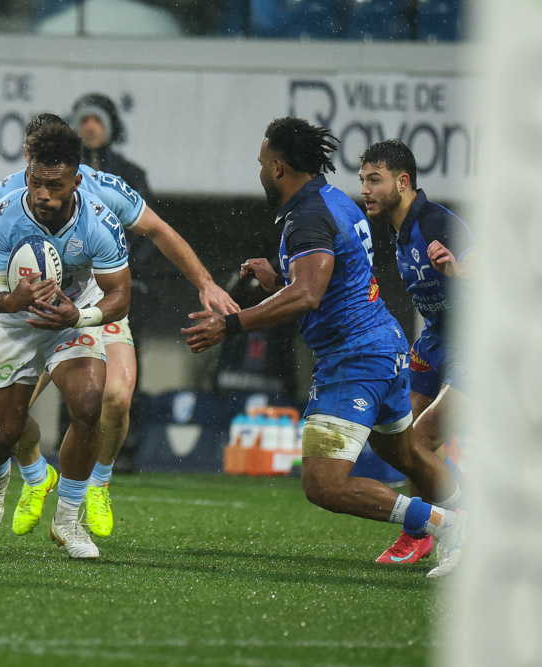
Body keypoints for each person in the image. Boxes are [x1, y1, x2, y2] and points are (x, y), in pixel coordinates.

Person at [181, 117, 465, 578]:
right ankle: (463, 523)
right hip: (383, 345)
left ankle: (448, 524)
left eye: (260, 163)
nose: (258, 172)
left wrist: (230, 325)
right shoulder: (336, 201)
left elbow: (308, 294)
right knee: (409, 454)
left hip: (353, 359)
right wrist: (279, 279)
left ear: (278, 166)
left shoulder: (306, 216)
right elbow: (331, 280)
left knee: (323, 484)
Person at [0, 114, 237, 539]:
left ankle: (95, 485)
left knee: (114, 398)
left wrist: (204, 282)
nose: (41, 184)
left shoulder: (102, 192)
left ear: (73, 168)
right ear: (29, 159)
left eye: (54, 173)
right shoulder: (9, 195)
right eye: (33, 163)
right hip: (25, 317)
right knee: (6, 429)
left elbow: (159, 231)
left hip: (85, 306)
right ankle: (35, 476)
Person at [0, 122, 132, 559]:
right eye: (36, 183)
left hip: (72, 318)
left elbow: (120, 294)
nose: (43, 194)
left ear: (76, 181)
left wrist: (78, 316)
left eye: (55, 185)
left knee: (88, 404)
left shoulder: (99, 222)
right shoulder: (3, 214)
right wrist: (9, 300)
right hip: (16, 324)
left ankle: (68, 520)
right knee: (2, 435)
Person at [358, 139, 473, 565]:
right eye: (362, 180)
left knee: (422, 439)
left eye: (375, 180)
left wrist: (458, 270)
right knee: (403, 439)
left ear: (403, 182)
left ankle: (466, 524)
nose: (365, 189)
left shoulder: (435, 220)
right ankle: (423, 533)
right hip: (437, 338)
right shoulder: (395, 226)